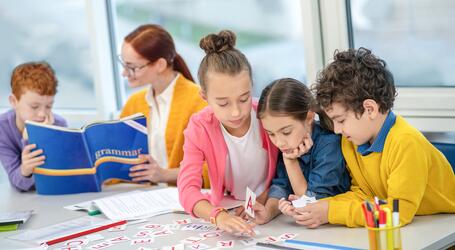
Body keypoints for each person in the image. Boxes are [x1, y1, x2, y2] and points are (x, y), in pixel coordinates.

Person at [299, 47, 455, 228]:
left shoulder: (406, 143)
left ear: (370, 109)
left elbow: (397, 214)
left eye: (340, 120)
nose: (336, 130)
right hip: (420, 224)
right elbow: (364, 194)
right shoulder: (352, 140)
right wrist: (318, 207)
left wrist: (332, 213)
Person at [177, 30, 278, 235]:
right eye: (223, 103)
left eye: (244, 98)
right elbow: (187, 189)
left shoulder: (269, 115)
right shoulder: (199, 127)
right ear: (204, 96)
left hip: (274, 207)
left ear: (252, 86)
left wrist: (266, 199)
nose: (236, 111)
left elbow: (289, 169)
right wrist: (218, 215)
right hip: (227, 209)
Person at [252, 78, 350, 225]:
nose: (279, 142)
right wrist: (268, 213)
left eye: (286, 132)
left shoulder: (329, 144)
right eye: (271, 134)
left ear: (309, 117)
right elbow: (281, 186)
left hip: (336, 227)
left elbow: (310, 202)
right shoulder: (289, 145)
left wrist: (290, 162)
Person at [118, 24, 207, 186]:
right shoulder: (134, 103)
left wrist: (166, 175)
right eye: (123, 64)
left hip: (184, 199)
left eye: (132, 67)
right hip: (142, 196)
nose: (124, 73)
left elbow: (216, 167)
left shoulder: (199, 101)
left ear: (160, 65)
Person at [0, 61, 67, 191]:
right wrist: (25, 168)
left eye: (49, 106)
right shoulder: (2, 129)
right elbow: (18, 183)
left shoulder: (59, 124)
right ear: (14, 102)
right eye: (34, 106)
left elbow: (59, 177)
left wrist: (47, 135)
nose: (42, 114)